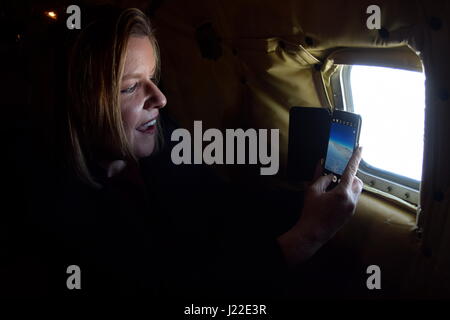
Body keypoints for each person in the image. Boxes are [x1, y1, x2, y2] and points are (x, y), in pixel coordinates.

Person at [54, 6, 363, 298]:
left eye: (152, 78)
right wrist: (308, 236)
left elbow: (222, 202)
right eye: (129, 87)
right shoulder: (65, 212)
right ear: (80, 103)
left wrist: (308, 201)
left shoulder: (163, 136)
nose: (159, 98)